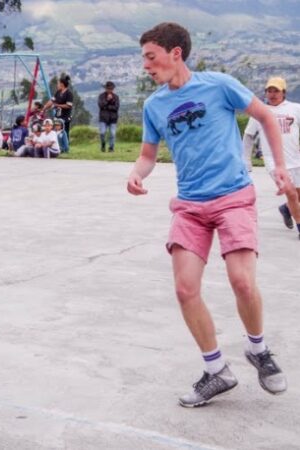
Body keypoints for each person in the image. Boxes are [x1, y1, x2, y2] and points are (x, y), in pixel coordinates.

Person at [127, 22, 291, 408]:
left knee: (242, 282)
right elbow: (149, 155)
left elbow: (267, 117)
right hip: (190, 205)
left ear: (175, 53)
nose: (146, 66)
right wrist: (136, 173)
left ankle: (258, 349)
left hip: (233, 196)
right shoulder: (154, 106)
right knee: (185, 289)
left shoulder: (218, 84)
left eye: (151, 57)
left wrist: (279, 167)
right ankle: (216, 369)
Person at [243, 77, 300, 239]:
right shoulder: (259, 112)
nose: (273, 94)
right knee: (291, 193)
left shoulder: (295, 109)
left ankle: (286, 209)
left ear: (284, 92)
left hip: (295, 159)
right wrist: (246, 161)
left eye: (276, 91)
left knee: (297, 194)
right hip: (273, 162)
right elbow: (248, 137)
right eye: (270, 91)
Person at [44, 74, 74, 139]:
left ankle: (65, 147)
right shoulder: (58, 92)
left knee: (65, 132)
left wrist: (57, 105)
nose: (57, 85)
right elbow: (52, 101)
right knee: (56, 131)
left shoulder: (69, 94)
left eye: (58, 83)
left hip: (65, 117)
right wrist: (44, 107)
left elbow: (68, 106)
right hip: (58, 116)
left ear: (62, 84)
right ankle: (59, 146)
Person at [97, 81, 120, 152]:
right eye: (108, 89)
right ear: (106, 89)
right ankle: (103, 144)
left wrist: (107, 106)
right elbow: (101, 105)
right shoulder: (101, 96)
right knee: (102, 133)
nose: (110, 90)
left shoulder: (116, 97)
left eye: (111, 89)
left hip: (113, 118)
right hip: (103, 118)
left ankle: (111, 148)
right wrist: (107, 100)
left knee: (112, 134)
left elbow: (116, 107)